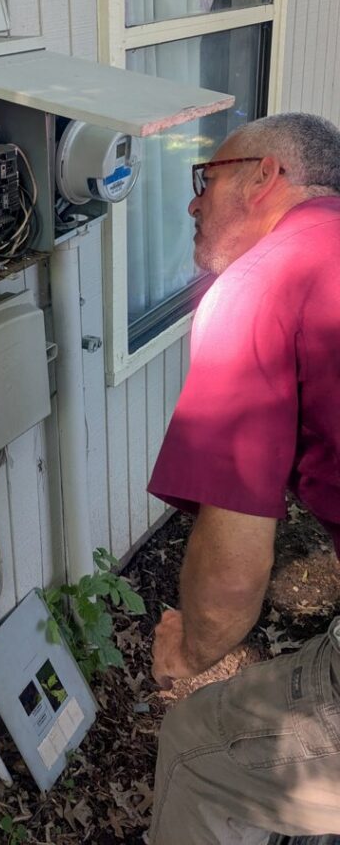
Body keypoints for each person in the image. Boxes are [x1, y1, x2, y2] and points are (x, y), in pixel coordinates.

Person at [146, 112, 340, 845]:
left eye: (208, 178)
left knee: (200, 749)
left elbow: (230, 577)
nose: (194, 202)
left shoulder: (264, 281)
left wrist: (190, 651)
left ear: (265, 177)